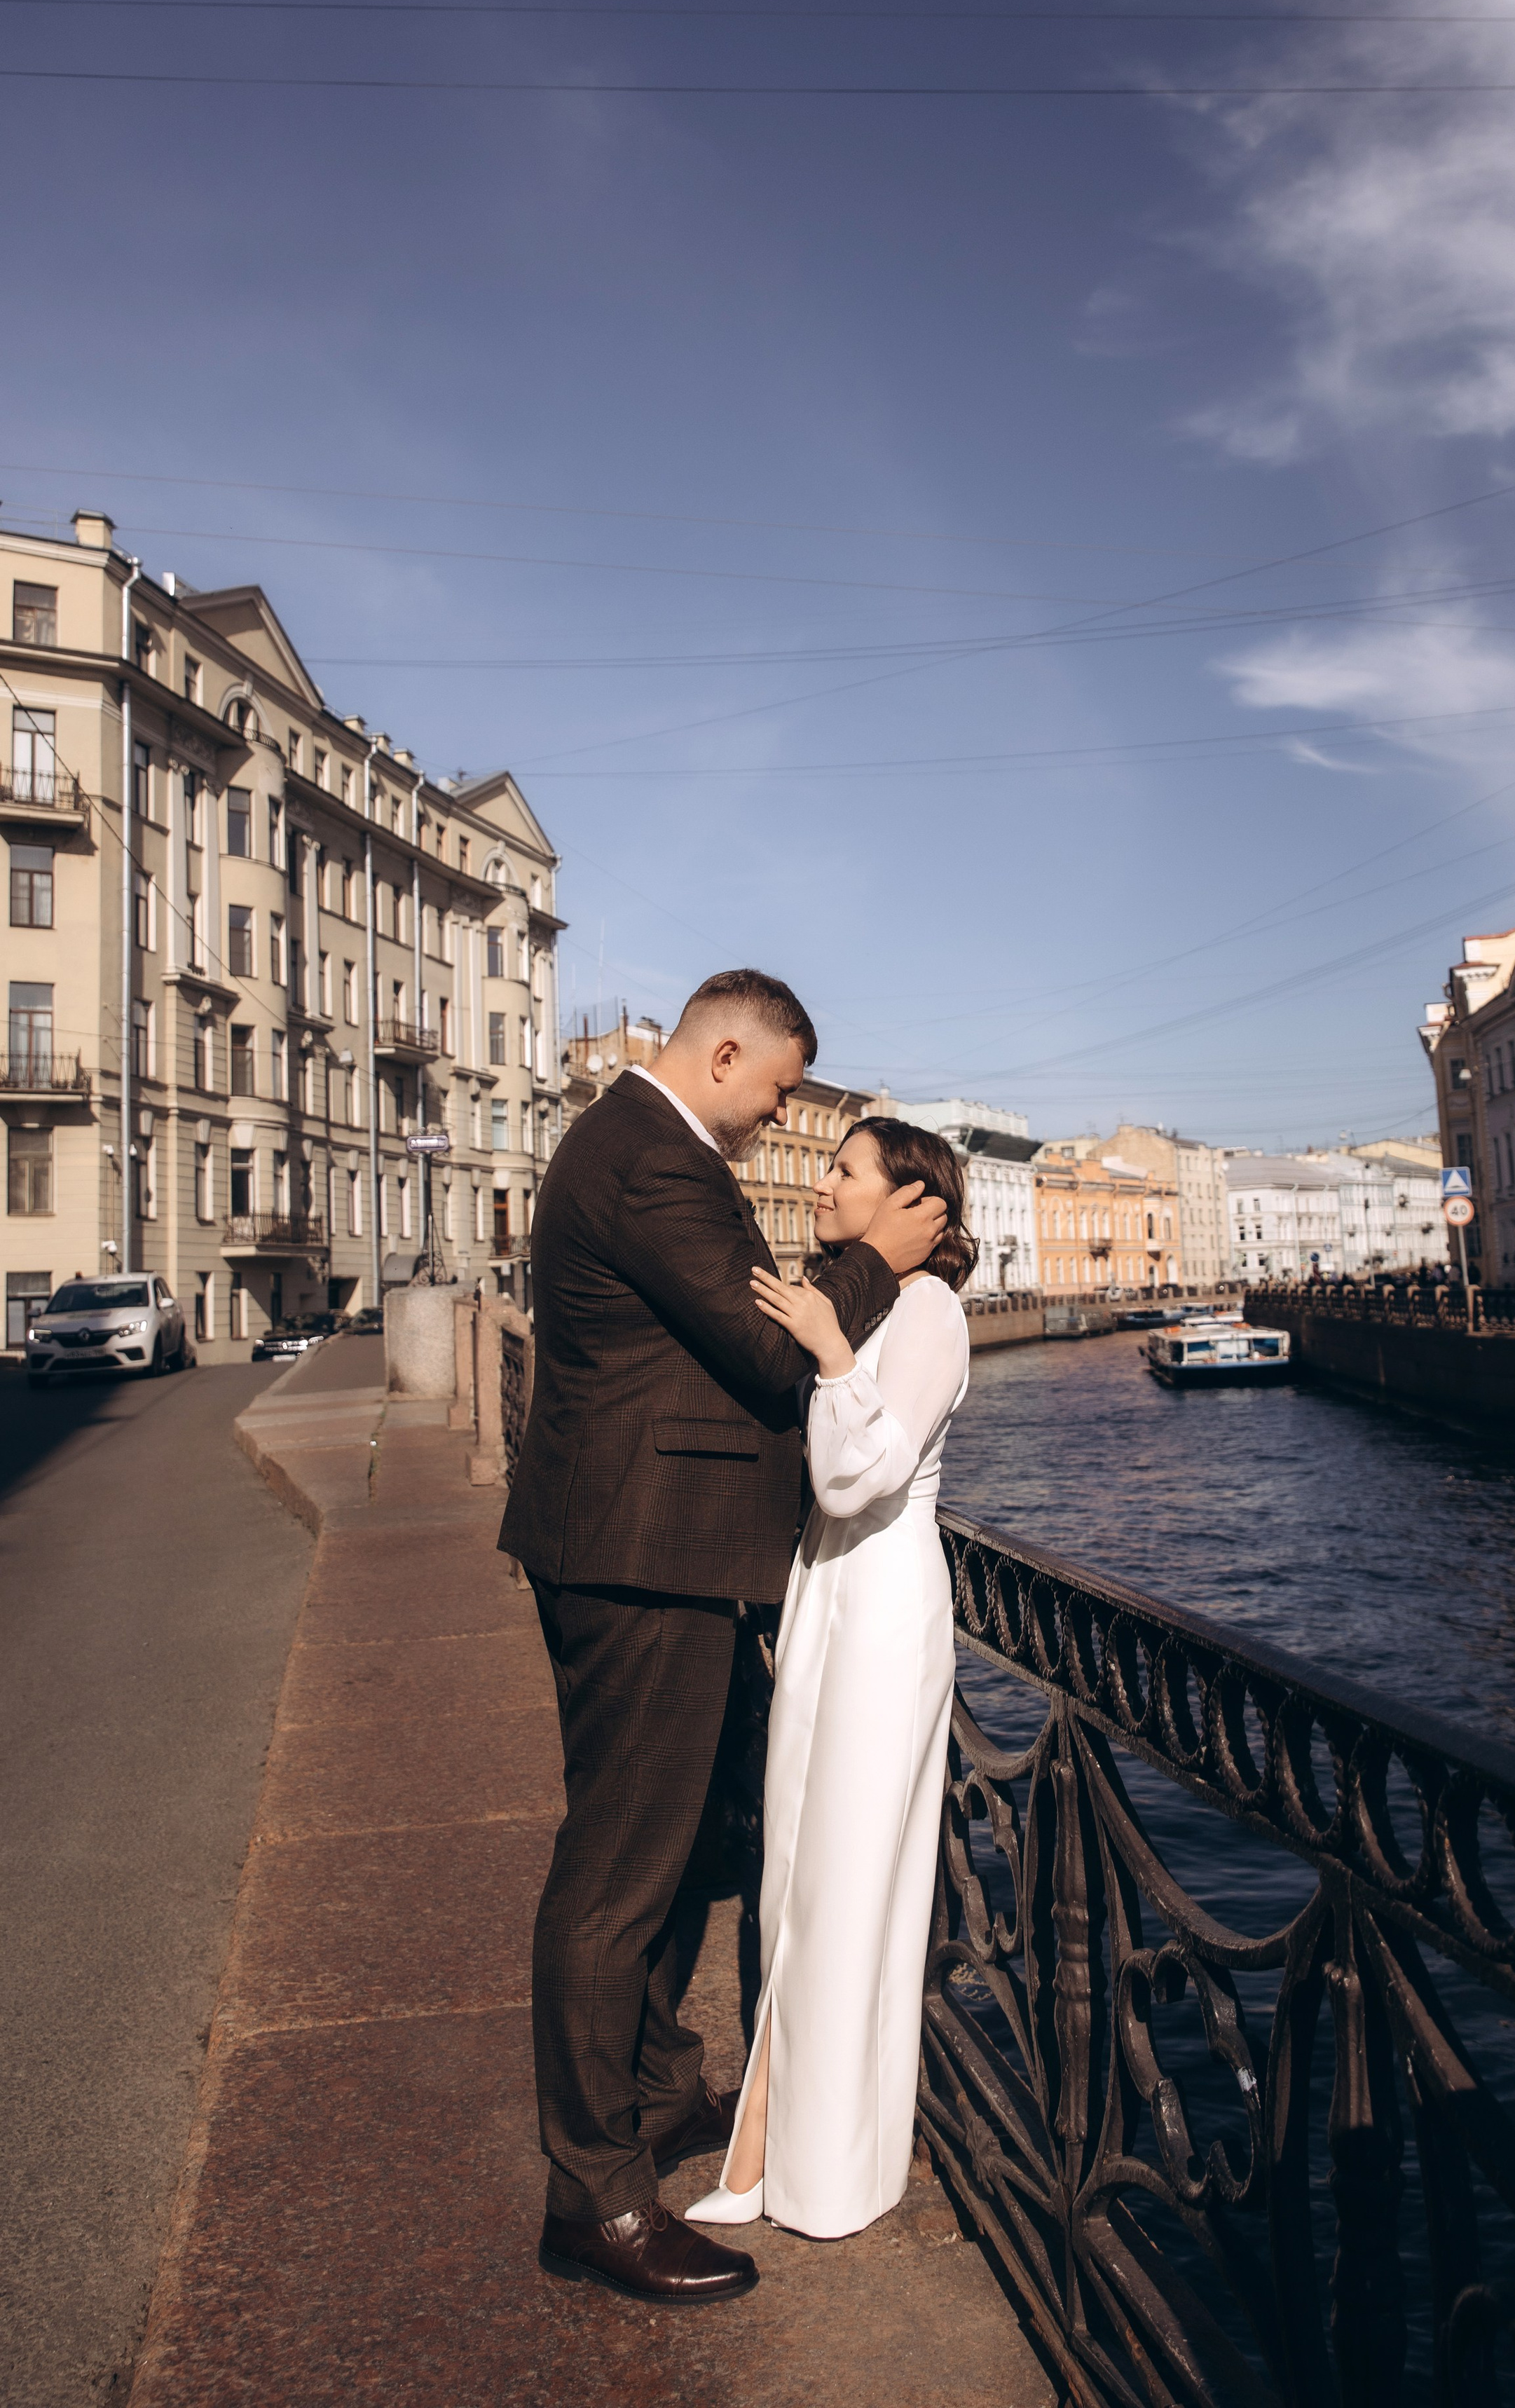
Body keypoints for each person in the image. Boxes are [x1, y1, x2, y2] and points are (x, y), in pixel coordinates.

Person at [499, 973, 946, 2307]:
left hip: (651, 1546)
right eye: (774, 1090)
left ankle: (654, 2091)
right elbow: (765, 1354)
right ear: (727, 1051)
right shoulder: (653, 1160)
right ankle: (596, 2200)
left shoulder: (645, 1150)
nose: (777, 1116)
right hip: (643, 1555)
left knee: (686, 1843)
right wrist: (885, 1266)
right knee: (620, 1866)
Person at [685, 1117, 974, 2239]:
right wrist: (829, 1331)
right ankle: (768, 2140)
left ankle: (826, 2170)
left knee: (851, 1888)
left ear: (911, 1204)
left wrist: (832, 1349)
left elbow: (863, 1477)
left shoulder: (935, 1313)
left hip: (886, 1603)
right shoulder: (865, 1301)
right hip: (826, 1595)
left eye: (844, 1169)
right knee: (797, 1873)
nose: (821, 1180)